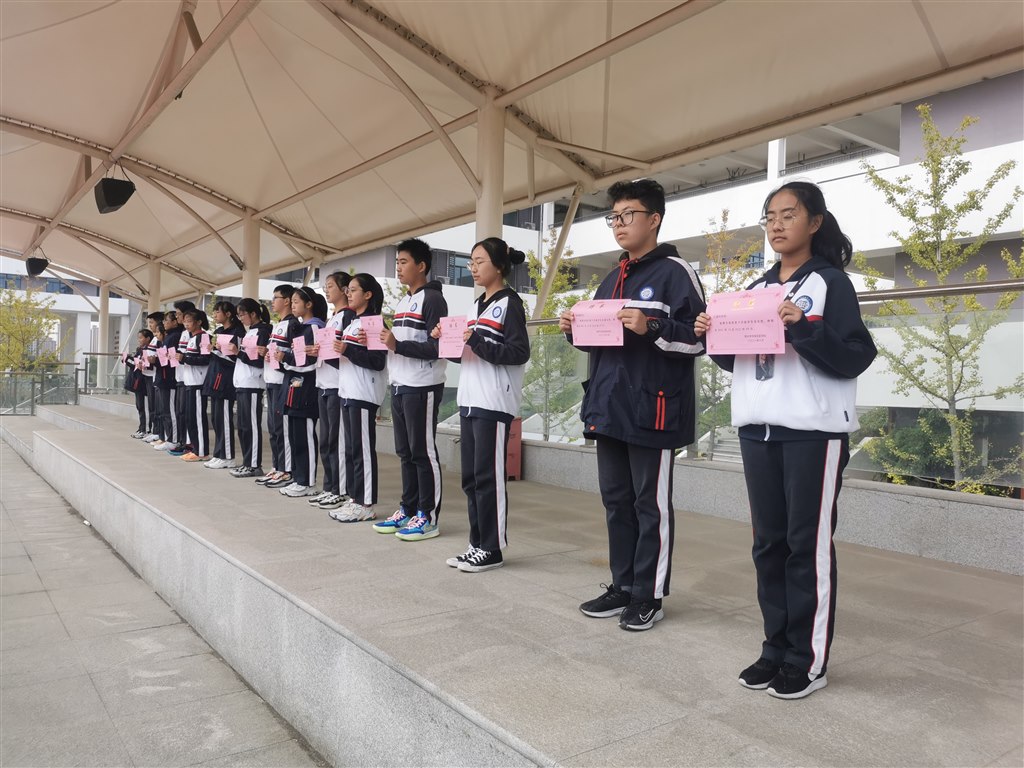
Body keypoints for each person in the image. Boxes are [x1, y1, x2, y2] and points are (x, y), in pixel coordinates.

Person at [694, 180, 876, 699]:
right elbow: (742, 359)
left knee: (806, 546)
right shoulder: (756, 288)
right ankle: (775, 648)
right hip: (757, 429)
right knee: (768, 545)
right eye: (769, 216)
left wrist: (803, 325)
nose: (776, 224)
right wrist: (713, 335)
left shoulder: (831, 283)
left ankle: (807, 660)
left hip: (813, 433)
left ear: (814, 222)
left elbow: (856, 355)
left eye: (788, 214)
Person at [560, 178, 706, 631]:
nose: (619, 224)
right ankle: (622, 585)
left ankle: (649, 594)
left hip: (653, 409)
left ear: (654, 219)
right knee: (616, 501)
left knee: (650, 505)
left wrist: (653, 326)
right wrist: (575, 330)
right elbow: (601, 342)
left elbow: (699, 340)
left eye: (628, 215)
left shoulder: (676, 273)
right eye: (614, 217)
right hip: (608, 407)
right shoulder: (612, 277)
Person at [435, 238, 529, 572]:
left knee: (489, 478)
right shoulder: (477, 305)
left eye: (480, 261)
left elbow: (519, 353)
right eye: (471, 262)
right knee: (472, 478)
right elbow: (468, 354)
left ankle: (492, 548)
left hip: (494, 400)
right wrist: (447, 341)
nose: (473, 268)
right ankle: (476, 544)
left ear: (499, 266)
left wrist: (475, 339)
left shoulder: (510, 304)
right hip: (470, 400)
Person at [373, 238, 448, 541]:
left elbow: (437, 347)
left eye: (404, 262)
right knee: (405, 452)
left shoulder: (433, 299)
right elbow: (399, 344)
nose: (398, 268)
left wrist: (397, 344)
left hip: (423, 384)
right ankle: (408, 508)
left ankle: (427, 517)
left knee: (423, 451)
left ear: (421, 265)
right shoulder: (405, 301)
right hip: (400, 384)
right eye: (397, 262)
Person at [331, 273, 388, 523]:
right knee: (353, 449)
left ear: (368, 294)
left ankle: (365, 503)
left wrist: (347, 350)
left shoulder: (373, 323)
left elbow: (377, 362)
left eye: (353, 290)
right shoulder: (352, 323)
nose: (349, 294)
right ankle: (355, 498)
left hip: (364, 393)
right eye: (348, 290)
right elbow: (347, 357)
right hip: (348, 391)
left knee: (363, 450)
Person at [309, 273, 355, 511]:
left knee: (337, 440)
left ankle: (340, 490)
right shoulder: (332, 318)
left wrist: (327, 352)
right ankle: (329, 486)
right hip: (324, 382)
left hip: (338, 384)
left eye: (330, 286)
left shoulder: (347, 316)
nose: (326, 290)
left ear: (344, 289)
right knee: (326, 440)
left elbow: (345, 351)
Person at [273, 287, 324, 497]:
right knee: (296, 436)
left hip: (306, 389)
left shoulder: (314, 327)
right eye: (292, 302)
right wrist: (283, 360)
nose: (293, 305)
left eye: (296, 302)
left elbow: (310, 362)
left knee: (305, 437)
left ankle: (308, 482)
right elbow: (297, 360)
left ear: (309, 304)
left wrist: (285, 359)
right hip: (294, 387)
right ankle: (298, 478)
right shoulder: (301, 328)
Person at [258, 285, 296, 488]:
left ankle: (286, 469)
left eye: (276, 297)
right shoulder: (278, 325)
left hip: (283, 381)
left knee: (282, 429)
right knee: (273, 428)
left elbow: (294, 356)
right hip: (271, 380)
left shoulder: (292, 325)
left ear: (287, 301)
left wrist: (280, 359)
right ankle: (277, 465)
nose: (272, 302)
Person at [230, 298, 273, 479]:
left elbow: (257, 360)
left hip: (253, 384)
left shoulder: (263, 331)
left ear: (253, 313)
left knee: (252, 426)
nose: (240, 318)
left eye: (242, 315)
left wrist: (238, 352)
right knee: (243, 427)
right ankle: (247, 462)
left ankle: (254, 464)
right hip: (242, 383)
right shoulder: (251, 331)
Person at [204, 300, 242, 469]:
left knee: (225, 419)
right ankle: (218, 454)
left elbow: (235, 358)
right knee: (216, 418)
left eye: (217, 312)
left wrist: (216, 351)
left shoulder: (237, 332)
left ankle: (227, 456)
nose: (215, 315)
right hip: (215, 378)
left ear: (228, 314)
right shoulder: (218, 331)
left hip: (226, 380)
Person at [177, 309, 212, 463]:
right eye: (185, 321)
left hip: (198, 383)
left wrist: (185, 358)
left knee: (198, 419)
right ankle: (195, 448)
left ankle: (202, 452)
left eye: (189, 321)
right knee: (191, 418)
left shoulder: (203, 337)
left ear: (198, 322)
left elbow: (205, 359)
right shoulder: (192, 338)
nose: (186, 324)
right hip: (190, 382)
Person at [169, 301, 196, 457]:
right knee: (180, 412)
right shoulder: (184, 333)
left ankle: (189, 444)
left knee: (186, 413)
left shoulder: (195, 334)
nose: (177, 317)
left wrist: (181, 358)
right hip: (180, 376)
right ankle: (181, 441)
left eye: (179, 314)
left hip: (189, 379)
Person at [154, 310, 184, 452]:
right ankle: (169, 437)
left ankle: (173, 439)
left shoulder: (174, 336)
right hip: (164, 377)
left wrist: (157, 360)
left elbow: (171, 359)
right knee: (165, 410)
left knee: (170, 411)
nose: (164, 323)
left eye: (167, 320)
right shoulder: (170, 337)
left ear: (174, 322)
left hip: (169, 378)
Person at [125, 329, 152, 438]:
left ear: (148, 338)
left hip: (143, 382)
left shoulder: (149, 350)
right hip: (138, 381)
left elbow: (140, 365)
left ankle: (146, 429)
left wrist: (129, 361)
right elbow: (137, 363)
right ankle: (141, 428)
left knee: (144, 406)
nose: (139, 340)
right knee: (139, 406)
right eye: (138, 338)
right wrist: (128, 359)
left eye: (141, 338)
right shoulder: (140, 350)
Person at [140, 314, 161, 442]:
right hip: (149, 374)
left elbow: (161, 358)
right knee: (152, 405)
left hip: (155, 375)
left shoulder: (159, 339)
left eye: (152, 322)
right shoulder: (154, 339)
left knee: (157, 406)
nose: (150, 325)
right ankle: (154, 430)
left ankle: (158, 432)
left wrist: (152, 362)